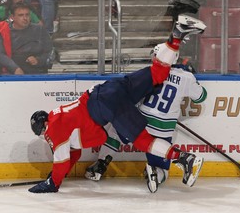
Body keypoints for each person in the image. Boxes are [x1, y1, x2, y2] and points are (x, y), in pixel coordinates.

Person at [27, 14, 206, 193]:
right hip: (109, 89)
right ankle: (177, 35)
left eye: (42, 133)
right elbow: (73, 154)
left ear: (44, 126)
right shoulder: (59, 115)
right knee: (157, 73)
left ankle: (184, 158)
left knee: (142, 141)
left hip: (105, 103)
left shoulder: (53, 128)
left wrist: (52, 183)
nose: (45, 136)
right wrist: (58, 174)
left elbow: (62, 158)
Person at [85, 57, 207, 193]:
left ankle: (101, 164)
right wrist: (190, 78)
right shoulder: (186, 77)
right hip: (163, 130)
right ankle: (155, 173)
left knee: (115, 129)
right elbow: (201, 97)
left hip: (141, 122)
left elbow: (136, 94)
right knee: (164, 170)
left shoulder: (152, 72)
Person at [0, 2, 53, 74]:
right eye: (21, 15)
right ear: (12, 17)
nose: (25, 18)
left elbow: (49, 52)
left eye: (27, 15)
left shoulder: (40, 30)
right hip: (11, 71)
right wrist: (14, 68)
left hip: (37, 71)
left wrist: (38, 60)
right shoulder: (2, 31)